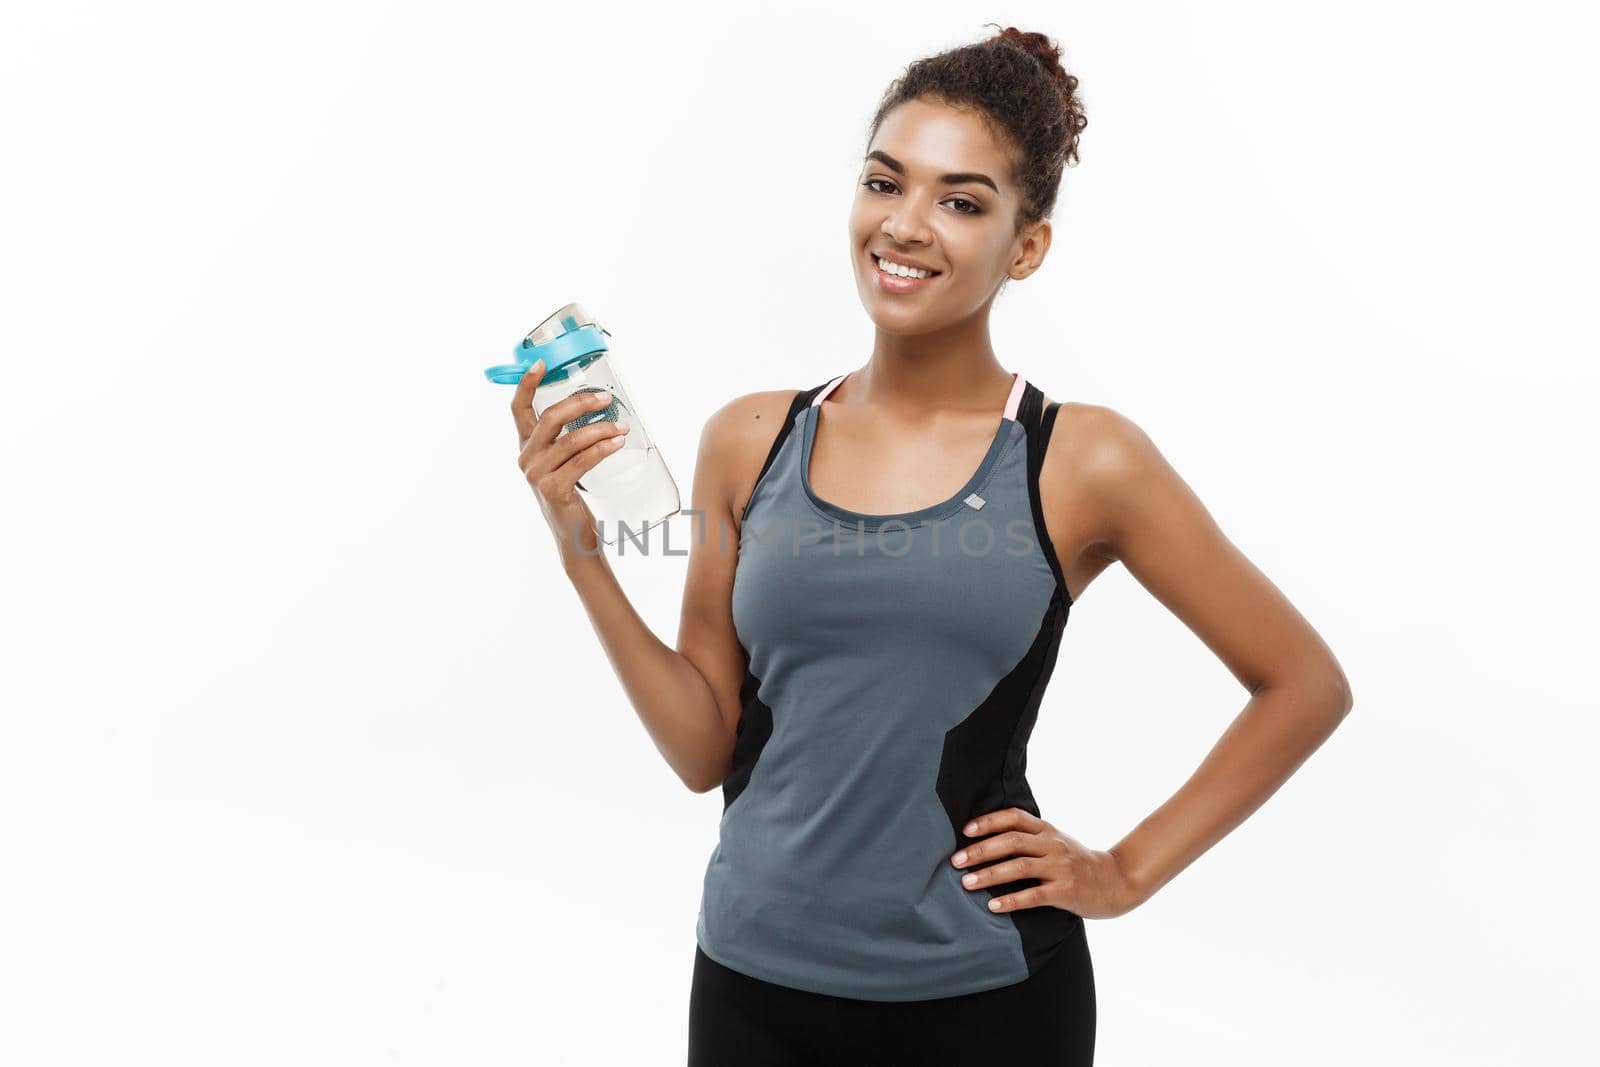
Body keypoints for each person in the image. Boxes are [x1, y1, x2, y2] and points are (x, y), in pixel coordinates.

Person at [510, 24, 1353, 1067]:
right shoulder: (749, 438)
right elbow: (701, 748)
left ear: (1026, 245)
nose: (905, 226)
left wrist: (1124, 871)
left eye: (961, 200)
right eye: (884, 182)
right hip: (748, 987)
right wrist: (581, 550)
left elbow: (1302, 682)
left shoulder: (1078, 459)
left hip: (986, 1002)